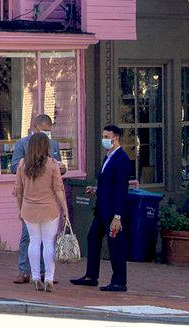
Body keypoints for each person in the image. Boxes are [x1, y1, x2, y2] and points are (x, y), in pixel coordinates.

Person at [71, 124, 133, 292]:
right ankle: (91, 276)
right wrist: (96, 190)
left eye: (107, 136)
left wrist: (118, 216)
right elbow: (109, 184)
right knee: (93, 238)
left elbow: (121, 189)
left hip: (113, 212)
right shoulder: (108, 157)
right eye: (103, 136)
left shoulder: (122, 159)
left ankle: (119, 281)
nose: (104, 139)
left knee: (115, 245)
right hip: (102, 209)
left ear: (116, 137)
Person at [11, 114, 64, 284]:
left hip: (46, 199)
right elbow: (14, 168)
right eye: (44, 131)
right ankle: (24, 270)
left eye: (49, 132)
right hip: (31, 198)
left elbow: (59, 173)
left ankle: (44, 273)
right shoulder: (22, 144)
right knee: (30, 237)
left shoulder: (53, 145)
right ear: (35, 127)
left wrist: (59, 168)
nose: (47, 135)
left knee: (46, 240)